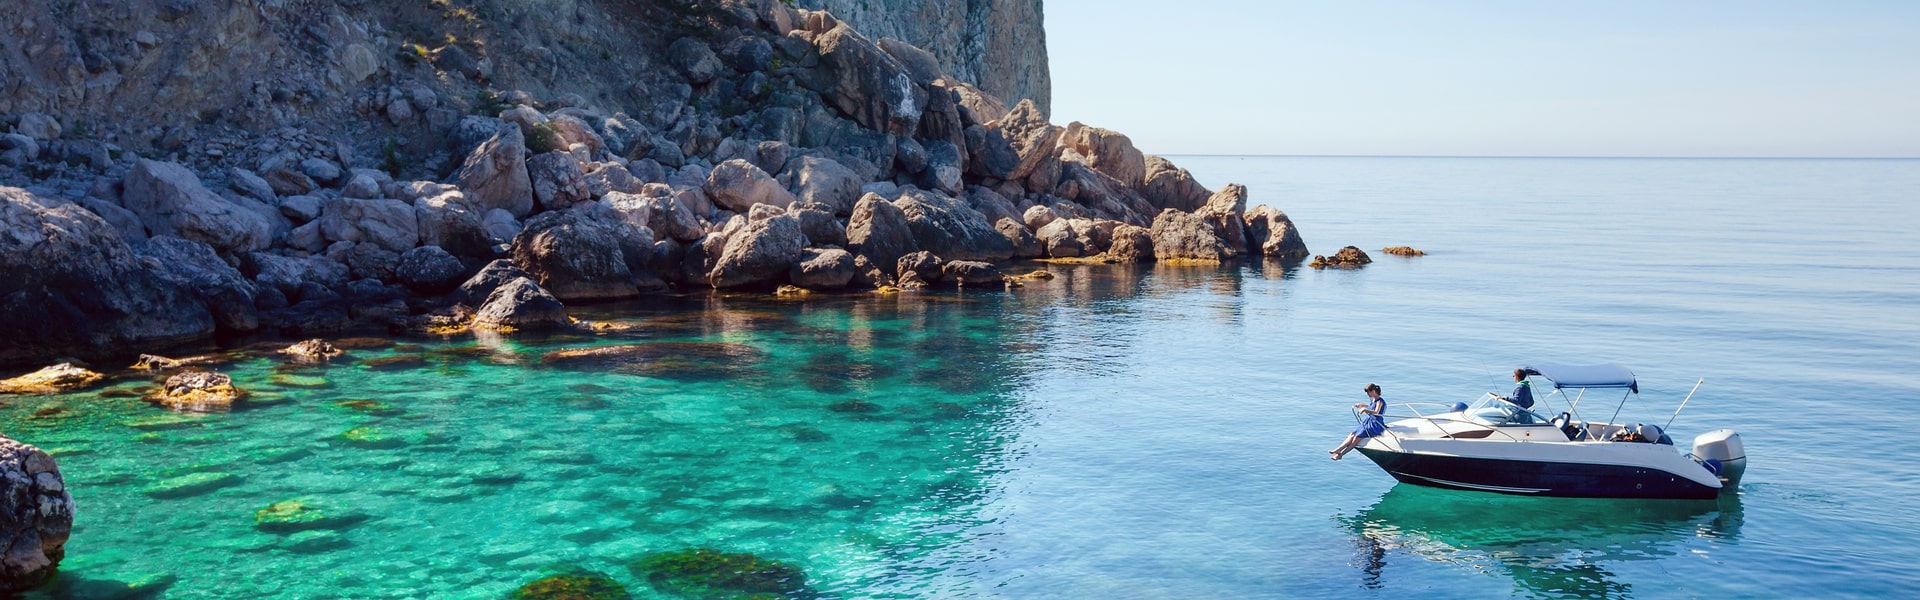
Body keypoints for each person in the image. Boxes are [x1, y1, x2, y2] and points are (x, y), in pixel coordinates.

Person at [1331, 383, 1387, 460]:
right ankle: (1339, 449)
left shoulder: (1380, 401)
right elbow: (1370, 406)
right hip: (1369, 421)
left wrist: (1365, 410)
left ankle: (1341, 454)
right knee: (1352, 434)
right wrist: (1361, 405)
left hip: (1375, 424)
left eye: (1368, 392)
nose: (1368, 394)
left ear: (1373, 391)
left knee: (1357, 438)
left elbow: (1376, 412)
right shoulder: (1373, 399)